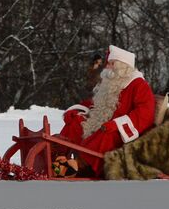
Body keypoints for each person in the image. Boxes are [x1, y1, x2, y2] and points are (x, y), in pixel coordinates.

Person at [55, 44, 157, 178]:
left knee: (106, 133)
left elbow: (145, 113)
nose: (107, 67)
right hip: (103, 125)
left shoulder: (139, 85)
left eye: (111, 63)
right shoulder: (111, 82)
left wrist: (117, 124)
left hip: (121, 135)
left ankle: (77, 166)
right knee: (76, 122)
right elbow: (96, 103)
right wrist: (77, 110)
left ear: (122, 66)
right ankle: (56, 159)